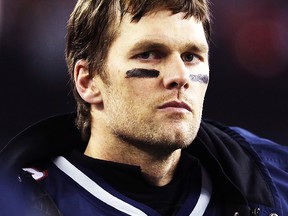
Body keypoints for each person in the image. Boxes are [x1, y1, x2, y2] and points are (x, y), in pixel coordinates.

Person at [0, 0, 287, 215]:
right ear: (87, 82)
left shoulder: (276, 179)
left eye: (191, 56)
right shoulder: (17, 202)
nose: (180, 77)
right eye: (149, 54)